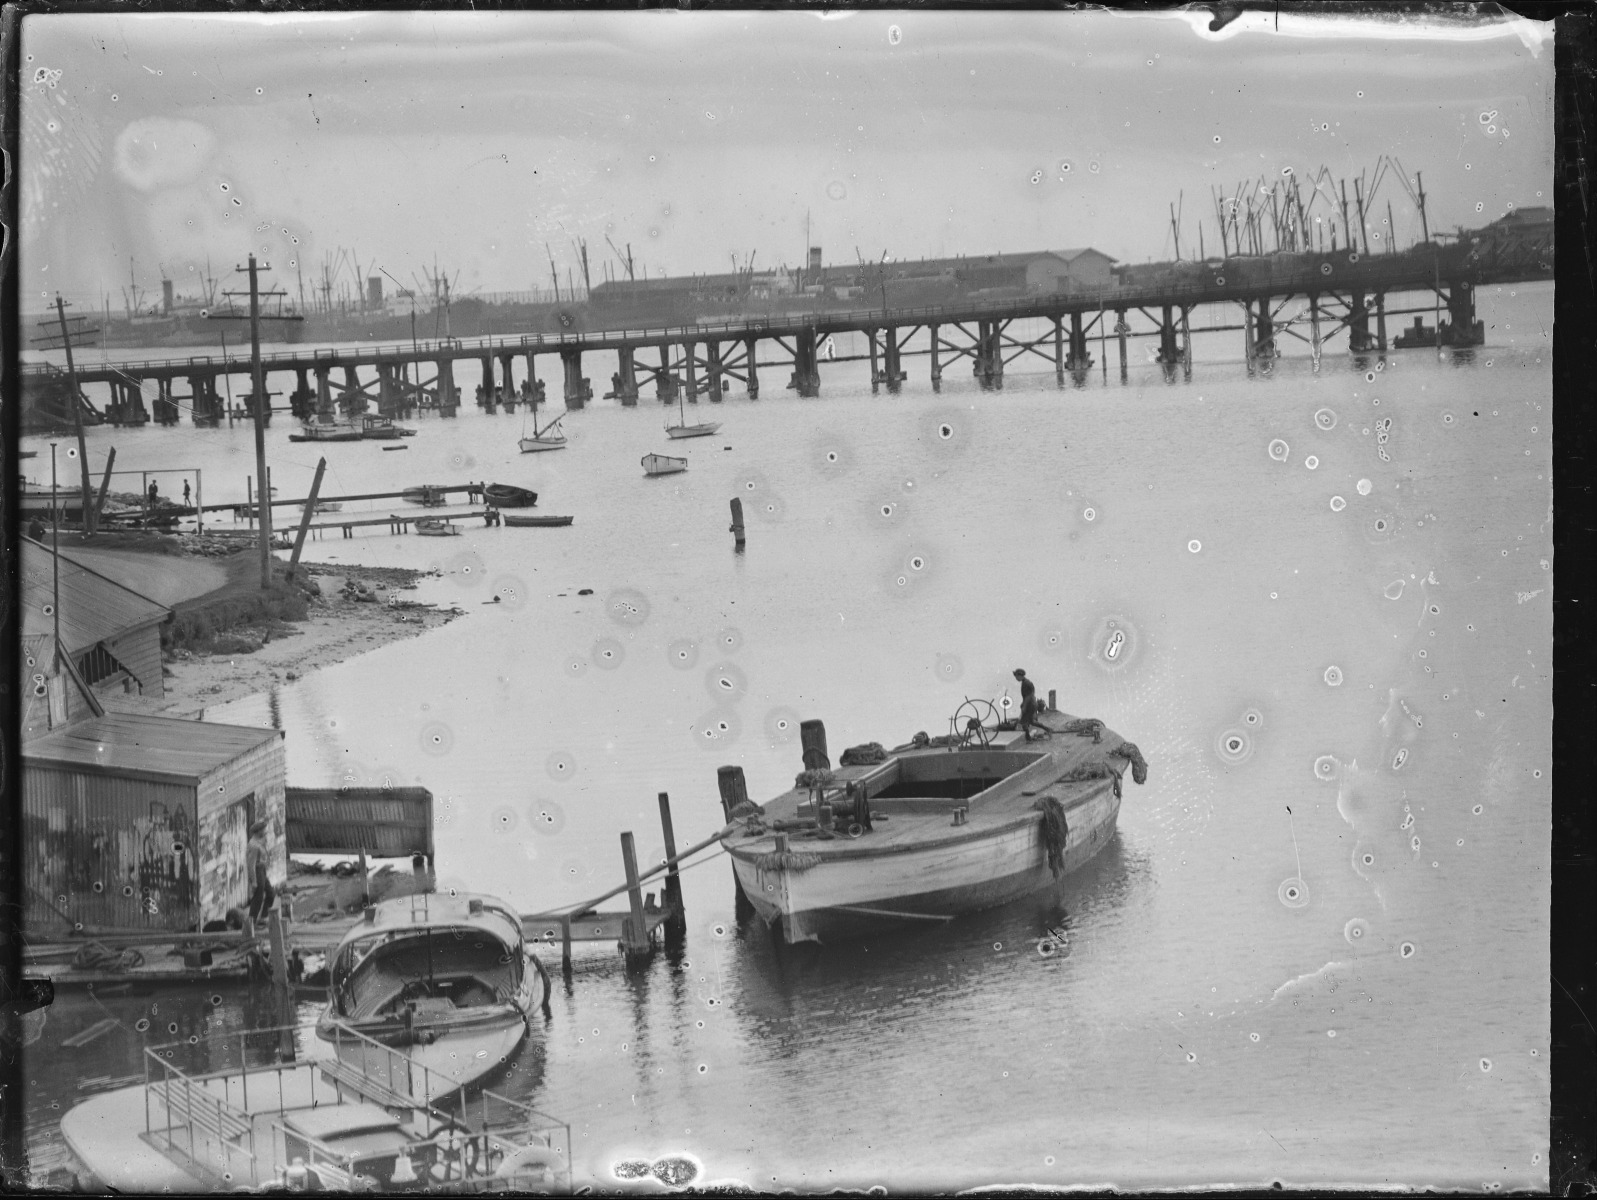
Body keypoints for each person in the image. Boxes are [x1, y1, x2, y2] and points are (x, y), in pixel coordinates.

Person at [246, 819, 275, 921]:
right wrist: (254, 881)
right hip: (257, 872)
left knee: (271, 893)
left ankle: (263, 917)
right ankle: (251, 922)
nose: (265, 832)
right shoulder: (253, 845)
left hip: (262, 871)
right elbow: (251, 865)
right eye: (263, 830)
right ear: (258, 832)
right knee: (258, 897)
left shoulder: (259, 842)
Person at [1013, 668, 1042, 741]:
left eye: (1016, 676)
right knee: (1031, 722)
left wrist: (1024, 707)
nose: (1016, 678)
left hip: (1030, 705)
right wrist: (1023, 704)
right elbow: (1028, 696)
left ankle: (1028, 739)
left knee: (1023, 722)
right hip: (1031, 704)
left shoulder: (1026, 683)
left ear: (1020, 675)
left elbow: (1028, 697)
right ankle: (1048, 729)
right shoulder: (1026, 682)